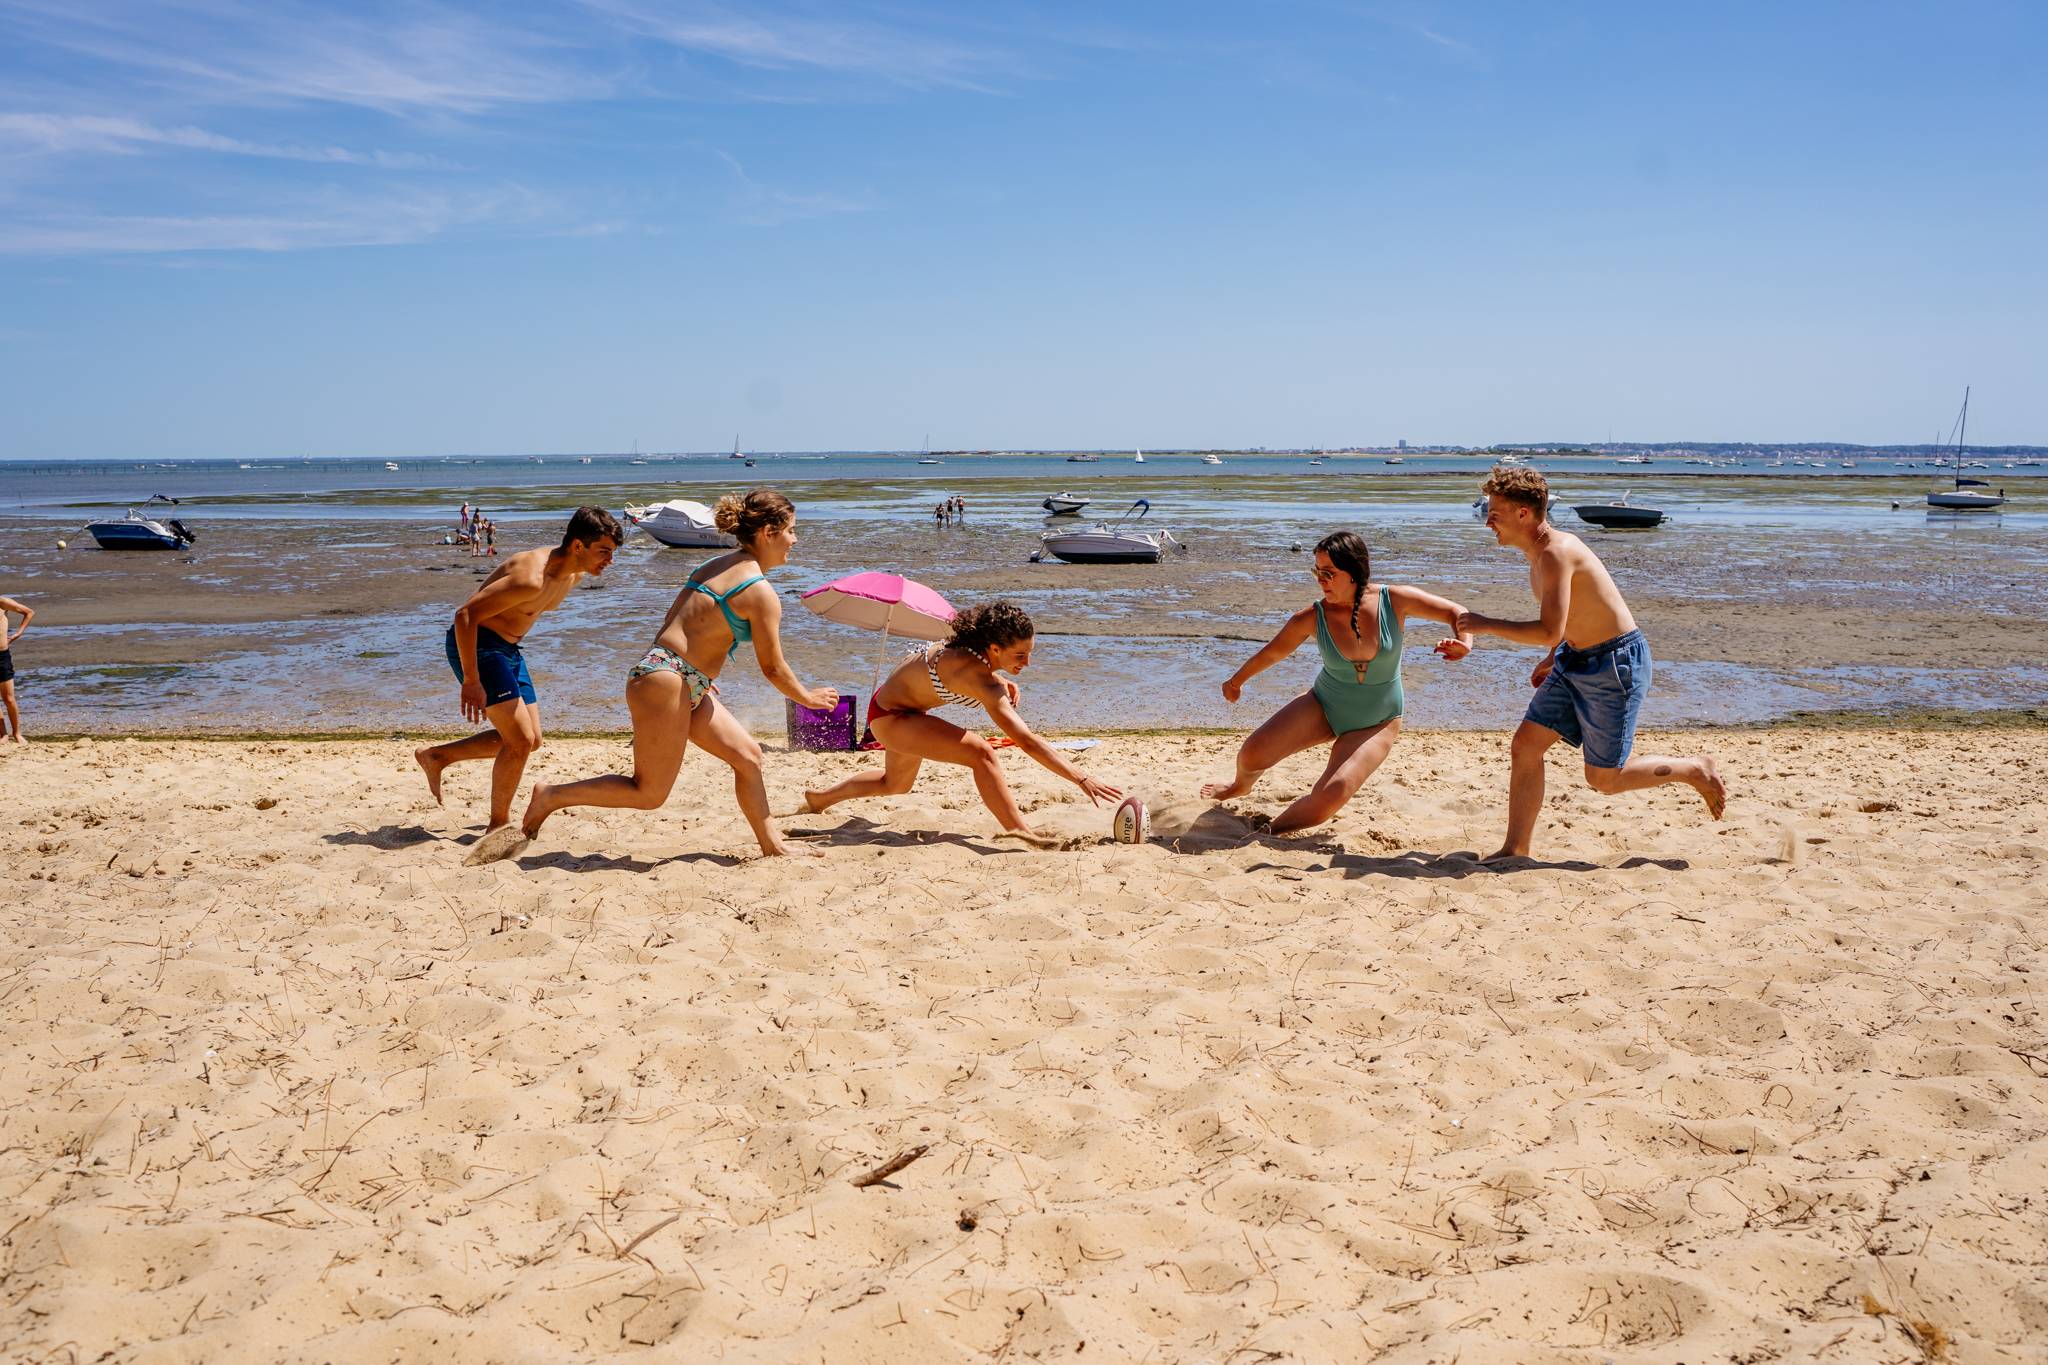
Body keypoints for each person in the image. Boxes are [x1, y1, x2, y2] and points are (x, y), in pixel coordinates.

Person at [493, 489, 838, 862]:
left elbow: (677, 625)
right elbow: (772, 667)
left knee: (749, 757)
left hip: (674, 677)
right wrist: (807, 697)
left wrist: (695, 671)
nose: (795, 539)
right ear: (768, 533)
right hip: (666, 681)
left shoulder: (716, 565)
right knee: (649, 793)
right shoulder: (759, 592)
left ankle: (774, 845)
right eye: (791, 530)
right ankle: (550, 795)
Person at [1457, 465, 1725, 861]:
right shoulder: (1538, 553)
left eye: (1494, 514)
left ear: (1523, 514)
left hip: (1615, 665)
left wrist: (1486, 624)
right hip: (1574, 657)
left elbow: (1549, 628)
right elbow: (1569, 622)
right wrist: (1554, 657)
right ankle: (1517, 848)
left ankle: (1694, 770)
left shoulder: (1556, 552)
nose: (1488, 523)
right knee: (1525, 746)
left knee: (1604, 779)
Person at [1200, 532, 1472, 832]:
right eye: (1317, 571)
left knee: (1332, 794)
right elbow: (1274, 652)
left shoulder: (1394, 600)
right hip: (1325, 706)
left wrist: (1465, 643)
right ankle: (1239, 787)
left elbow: (1456, 612)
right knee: (1252, 753)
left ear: (1353, 572)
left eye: (1328, 573)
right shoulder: (1312, 617)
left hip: (1378, 721)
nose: (1321, 580)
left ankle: (1269, 832)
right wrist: (1236, 681)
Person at [803, 600, 1121, 842]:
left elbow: (967, 674)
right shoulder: (982, 679)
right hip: (894, 718)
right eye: (1020, 656)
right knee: (982, 754)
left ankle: (820, 799)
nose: (1028, 663)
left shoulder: (970, 649)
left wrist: (1001, 675)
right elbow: (1025, 740)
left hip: (892, 709)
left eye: (1030, 654)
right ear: (994, 648)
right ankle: (1021, 833)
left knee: (895, 785)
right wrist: (1081, 778)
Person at [415, 505, 623, 834]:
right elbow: (465, 616)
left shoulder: (574, 573)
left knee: (532, 739)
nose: (609, 560)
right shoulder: (530, 578)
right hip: (478, 644)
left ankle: (437, 757)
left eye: (612, 552)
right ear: (578, 546)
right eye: (604, 552)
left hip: (507, 649)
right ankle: (498, 825)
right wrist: (470, 680)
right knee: (519, 742)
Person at [0, 594, 32, 744]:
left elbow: (29, 612)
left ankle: (16, 733)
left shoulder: (2, 601)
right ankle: (3, 734)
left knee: (9, 698)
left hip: (1, 656)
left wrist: (18, 633)